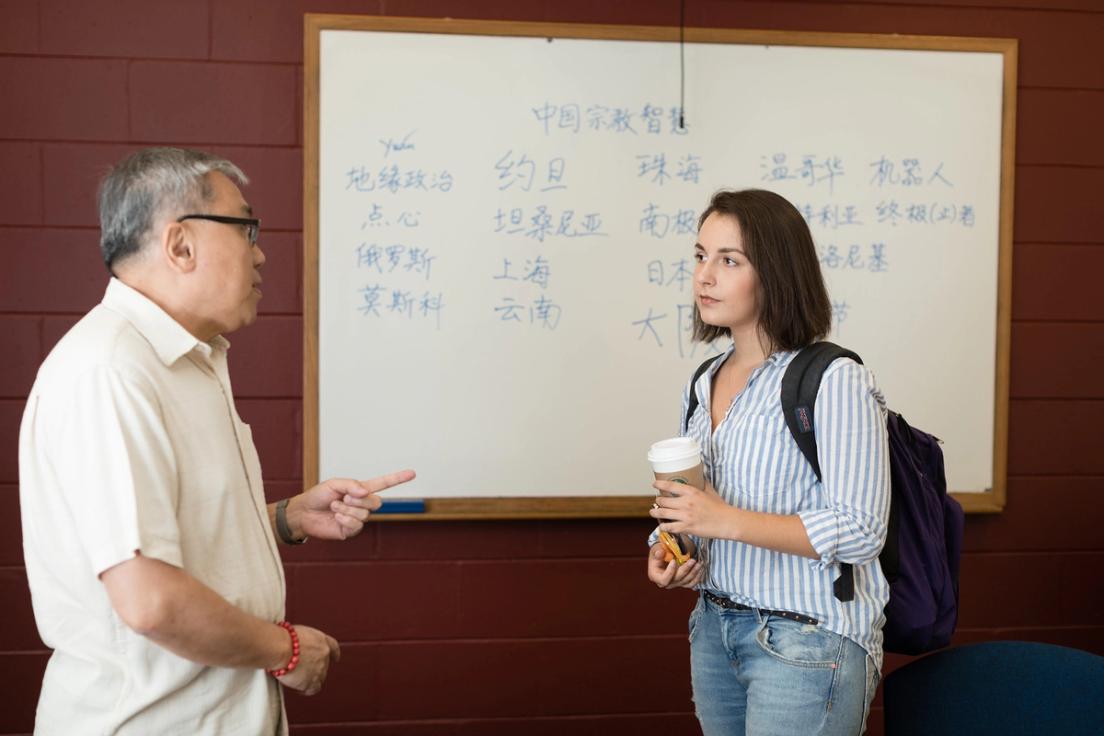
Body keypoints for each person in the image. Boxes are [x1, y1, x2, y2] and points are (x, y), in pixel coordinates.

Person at [18, 147, 415, 735]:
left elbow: (167, 534)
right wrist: (286, 649)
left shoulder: (183, 360)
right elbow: (148, 599)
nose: (260, 253)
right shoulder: (109, 372)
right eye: (246, 228)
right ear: (180, 245)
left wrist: (286, 519)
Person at [646, 189, 890, 735]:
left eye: (729, 261)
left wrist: (722, 519)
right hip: (713, 628)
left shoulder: (834, 379)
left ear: (776, 273)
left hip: (808, 640)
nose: (704, 276)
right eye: (700, 255)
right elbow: (694, 503)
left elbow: (860, 529)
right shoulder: (704, 379)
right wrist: (670, 552)